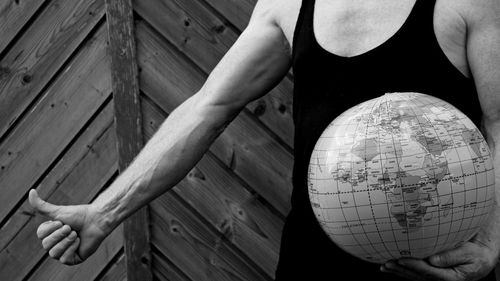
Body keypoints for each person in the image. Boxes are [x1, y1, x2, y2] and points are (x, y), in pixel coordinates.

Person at [28, 0, 500, 280]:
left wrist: (492, 242)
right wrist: (104, 211)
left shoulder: (470, 3)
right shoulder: (291, 3)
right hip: (311, 267)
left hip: (441, 267)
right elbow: (207, 107)